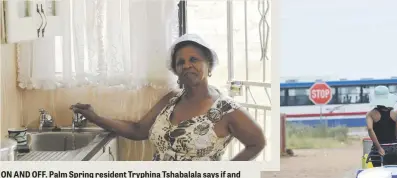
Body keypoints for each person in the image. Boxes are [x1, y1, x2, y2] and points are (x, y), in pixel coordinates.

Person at [71, 34, 266, 161]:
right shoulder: (171, 100)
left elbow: (257, 143)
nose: (187, 65)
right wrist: (95, 117)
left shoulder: (225, 110)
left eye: (194, 59)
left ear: (209, 65)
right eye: (181, 62)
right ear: (176, 70)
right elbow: (139, 130)